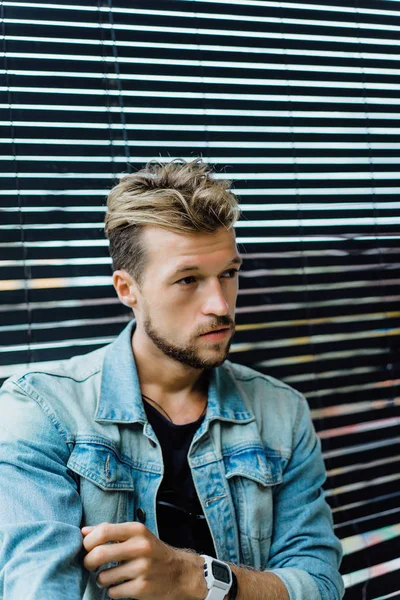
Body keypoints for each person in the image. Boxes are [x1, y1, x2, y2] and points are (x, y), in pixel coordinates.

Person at [0, 158, 344, 600]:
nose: (220, 305)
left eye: (228, 274)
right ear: (128, 290)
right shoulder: (41, 409)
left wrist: (194, 577)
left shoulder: (281, 412)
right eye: (188, 280)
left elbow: (319, 586)